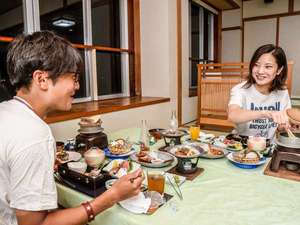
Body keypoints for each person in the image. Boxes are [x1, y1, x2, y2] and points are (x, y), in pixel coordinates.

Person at [0, 31, 143, 225]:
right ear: (41, 79)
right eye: (74, 78)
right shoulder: (34, 134)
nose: (77, 86)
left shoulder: (6, 110)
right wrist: (113, 195)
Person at [228, 44, 291, 141]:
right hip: (241, 145)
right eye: (256, 65)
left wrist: (284, 126)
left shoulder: (282, 92)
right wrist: (265, 113)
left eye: (268, 66)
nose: (260, 71)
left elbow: (280, 127)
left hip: (268, 146)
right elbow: (233, 115)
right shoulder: (240, 89)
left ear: (279, 70)